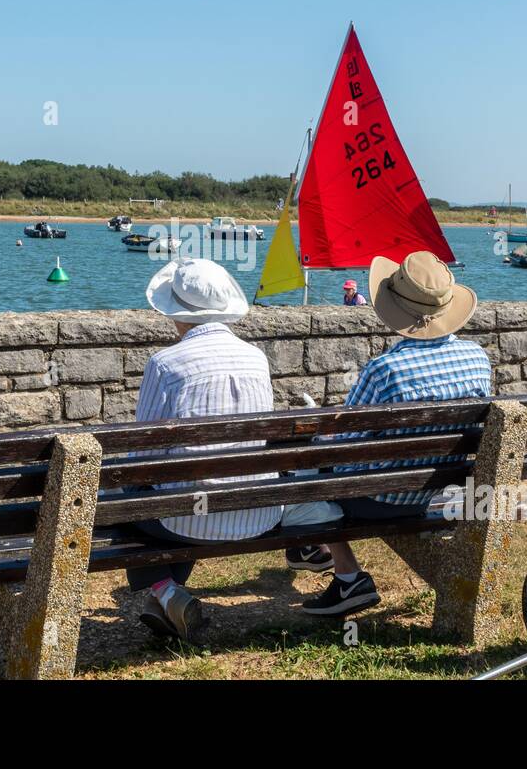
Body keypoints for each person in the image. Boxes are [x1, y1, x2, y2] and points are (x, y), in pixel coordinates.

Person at [290, 250, 492, 616]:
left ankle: (343, 572)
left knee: (306, 467)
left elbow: (344, 449)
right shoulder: (477, 359)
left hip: (379, 501)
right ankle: (316, 552)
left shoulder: (384, 370)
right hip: (436, 489)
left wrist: (319, 438)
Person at [127, 257, 283, 642]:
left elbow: (143, 457)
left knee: (126, 497)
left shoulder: (166, 363)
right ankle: (164, 604)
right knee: (185, 485)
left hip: (188, 519)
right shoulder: (256, 358)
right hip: (256, 512)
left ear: (175, 310)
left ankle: (164, 591)